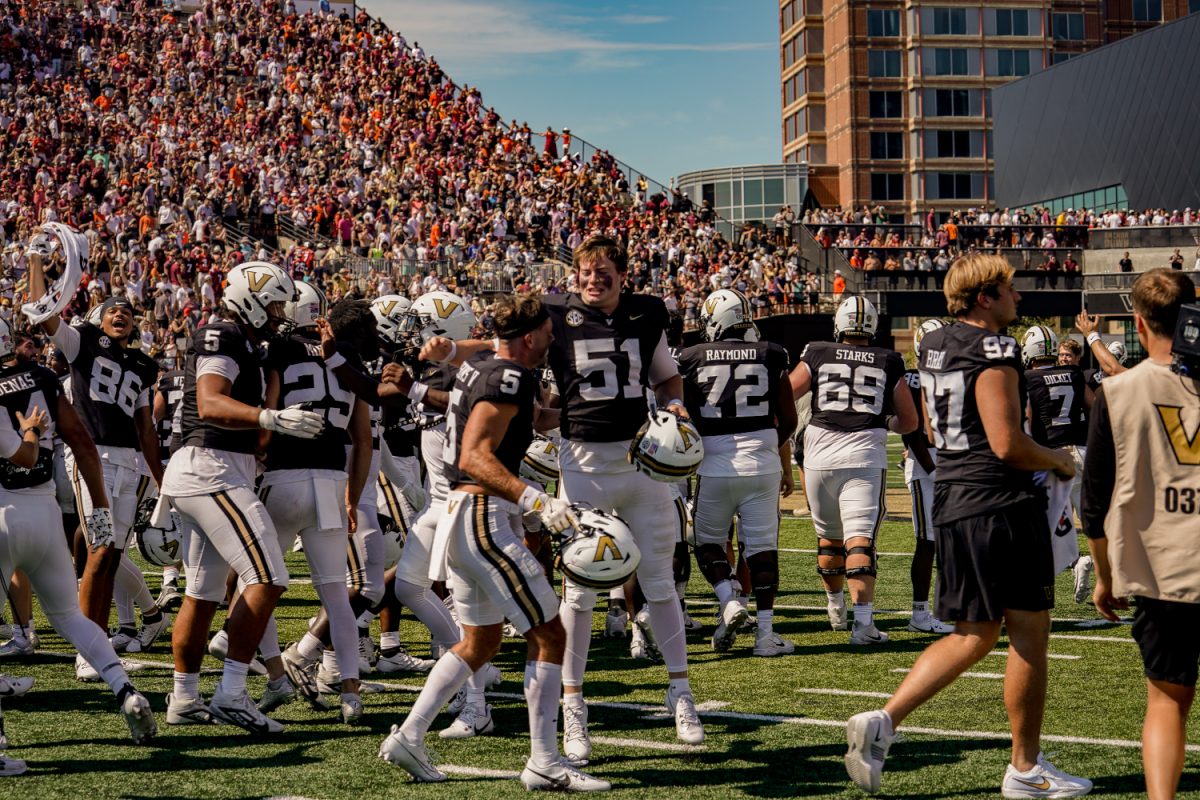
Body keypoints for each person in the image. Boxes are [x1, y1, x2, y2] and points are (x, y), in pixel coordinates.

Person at [844, 253, 1090, 798]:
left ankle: (885, 721)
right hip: (999, 501)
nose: (1018, 297)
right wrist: (1057, 460)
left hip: (954, 498)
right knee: (1028, 633)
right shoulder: (995, 349)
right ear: (985, 296)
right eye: (1009, 288)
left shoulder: (933, 343)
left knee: (973, 635)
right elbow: (1007, 443)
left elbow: (932, 430)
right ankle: (1025, 769)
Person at [378, 294, 609, 791]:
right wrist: (537, 500)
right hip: (485, 515)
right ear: (529, 338)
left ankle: (411, 734)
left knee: (479, 641)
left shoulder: (488, 365)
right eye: (547, 332)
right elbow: (477, 455)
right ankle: (545, 761)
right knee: (550, 635)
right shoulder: (511, 376)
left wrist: (567, 410)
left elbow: (516, 415)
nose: (552, 339)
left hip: (466, 516)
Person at [160, 261, 324, 734]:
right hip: (210, 469)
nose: (279, 313)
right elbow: (211, 401)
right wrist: (269, 418)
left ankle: (185, 697)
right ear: (251, 299)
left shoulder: (248, 342)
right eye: (273, 303)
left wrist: (268, 411)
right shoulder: (222, 334)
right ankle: (232, 693)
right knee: (269, 577)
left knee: (203, 593)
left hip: (213, 469)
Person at [0, 317, 156, 750]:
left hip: (1, 514)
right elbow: (83, 445)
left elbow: (24, 453)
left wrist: (29, 435)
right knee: (70, 617)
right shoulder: (43, 378)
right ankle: (125, 690)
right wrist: (101, 510)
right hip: (46, 515)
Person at [1082, 269, 1199, 800]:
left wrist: (1105, 577)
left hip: (1161, 568)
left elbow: (1094, 502)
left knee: (1167, 700)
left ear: (1137, 321)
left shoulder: (1116, 392)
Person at [28, 250, 167, 680]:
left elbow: (146, 428)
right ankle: (87, 653)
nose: (121, 313)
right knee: (100, 548)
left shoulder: (144, 366)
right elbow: (43, 313)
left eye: (127, 310)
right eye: (113, 310)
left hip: (131, 466)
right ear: (98, 318)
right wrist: (36, 262)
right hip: (96, 461)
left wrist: (164, 480)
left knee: (111, 556)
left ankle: (99, 642)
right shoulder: (83, 341)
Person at [788, 296, 917, 644]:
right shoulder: (889, 359)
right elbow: (909, 421)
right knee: (859, 539)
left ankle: (835, 610)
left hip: (818, 453)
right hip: (862, 456)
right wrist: (883, 419)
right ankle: (863, 626)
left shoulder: (816, 351)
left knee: (829, 538)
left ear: (839, 324)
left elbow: (786, 393)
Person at [677, 289, 797, 657]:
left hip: (714, 461)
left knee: (707, 540)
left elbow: (684, 414)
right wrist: (760, 443)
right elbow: (789, 419)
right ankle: (765, 635)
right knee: (762, 548)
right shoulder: (771, 353)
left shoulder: (691, 357)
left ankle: (728, 599)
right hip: (761, 461)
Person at [1020, 325, 1093, 601]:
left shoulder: (1027, 379)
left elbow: (1025, 420)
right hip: (1081, 452)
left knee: (1046, 529)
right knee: (1093, 524)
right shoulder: (1075, 374)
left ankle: (1047, 591)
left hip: (1050, 457)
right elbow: (1095, 406)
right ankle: (1111, 576)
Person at [901, 319, 953, 635]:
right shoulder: (913, 378)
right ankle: (920, 614)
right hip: (926, 468)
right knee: (928, 541)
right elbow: (911, 431)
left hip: (951, 464)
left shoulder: (953, 375)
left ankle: (946, 608)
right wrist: (933, 470)